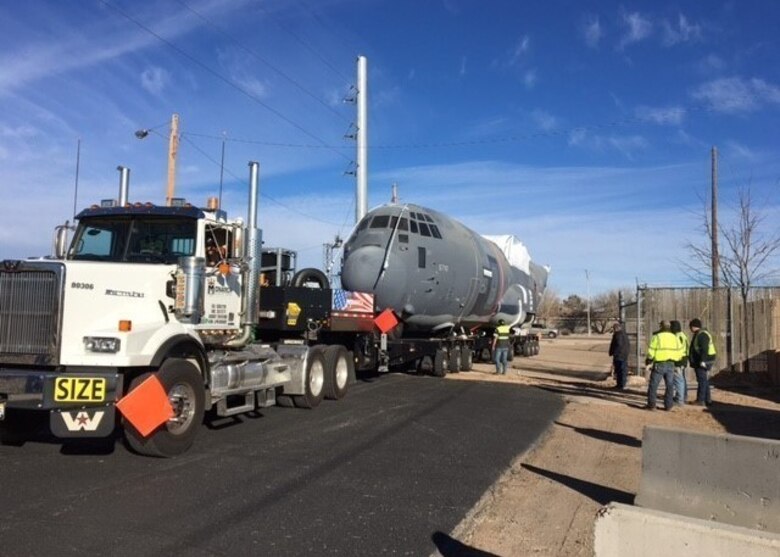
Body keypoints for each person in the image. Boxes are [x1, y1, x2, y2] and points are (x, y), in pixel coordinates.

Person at [645, 320, 684, 411]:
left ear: (661, 326)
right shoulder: (675, 337)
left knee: (653, 385)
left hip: (659, 364)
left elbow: (651, 351)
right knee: (670, 386)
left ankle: (652, 405)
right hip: (671, 364)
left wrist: (648, 361)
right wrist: (678, 363)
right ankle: (668, 406)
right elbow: (680, 352)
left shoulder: (657, 337)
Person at [689, 318, 717, 406]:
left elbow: (705, 349)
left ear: (693, 327)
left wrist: (703, 360)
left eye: (690, 327)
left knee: (702, 380)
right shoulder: (700, 334)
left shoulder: (702, 335)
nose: (690, 329)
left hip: (704, 360)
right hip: (705, 359)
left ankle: (701, 400)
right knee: (704, 380)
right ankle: (707, 399)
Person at [670, 320, 689, 406]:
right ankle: (682, 396)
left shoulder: (677, 336)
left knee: (678, 380)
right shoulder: (682, 335)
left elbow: (677, 350)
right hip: (683, 359)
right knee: (681, 379)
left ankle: (679, 400)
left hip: (679, 360)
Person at [608, 322, 630, 390]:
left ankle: (621, 385)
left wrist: (613, 352)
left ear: (616, 328)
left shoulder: (618, 335)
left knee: (620, 370)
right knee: (621, 370)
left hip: (619, 355)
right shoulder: (623, 334)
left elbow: (618, 345)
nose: (613, 330)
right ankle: (620, 384)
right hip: (624, 354)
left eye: (614, 328)